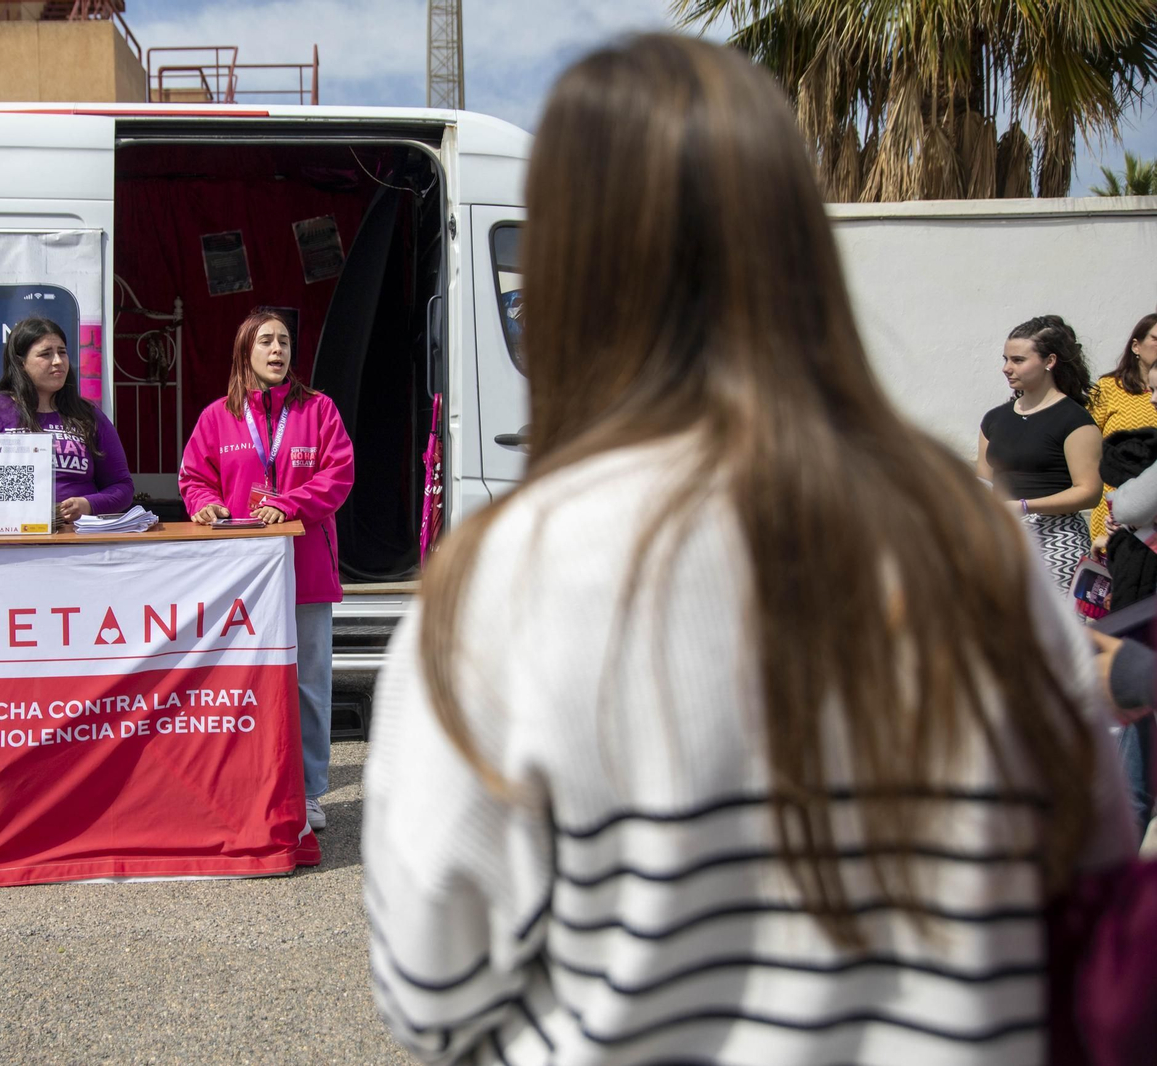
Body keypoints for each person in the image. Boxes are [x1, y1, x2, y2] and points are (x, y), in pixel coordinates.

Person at [362, 34, 1133, 1066]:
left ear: (567, 270)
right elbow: (1085, 877)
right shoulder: (968, 538)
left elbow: (431, 994)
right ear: (797, 246)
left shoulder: (500, 581)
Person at [0, 315, 134, 846]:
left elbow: (121, 488)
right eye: (46, 353)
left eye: (63, 352)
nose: (59, 362)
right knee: (11, 691)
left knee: (74, 689)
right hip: (10, 567)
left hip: (78, 567)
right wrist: (19, 503)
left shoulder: (87, 417)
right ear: (20, 361)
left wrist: (86, 501)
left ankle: (78, 801)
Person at [179, 310, 354, 831]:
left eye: (283, 342)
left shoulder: (318, 410)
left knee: (308, 683)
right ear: (245, 353)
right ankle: (247, 784)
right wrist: (204, 504)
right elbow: (194, 477)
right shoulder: (217, 417)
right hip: (243, 579)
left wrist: (291, 503)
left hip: (307, 572)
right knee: (242, 682)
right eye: (266, 342)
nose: (278, 350)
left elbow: (338, 474)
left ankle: (311, 791)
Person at [977, 316, 1102, 594]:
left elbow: (1090, 492)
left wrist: (1025, 506)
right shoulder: (995, 419)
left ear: (1049, 361)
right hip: (1004, 541)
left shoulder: (1074, 420)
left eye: (1018, 360)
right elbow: (984, 480)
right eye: (1005, 359)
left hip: (1057, 543)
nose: (1006, 368)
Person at [1087, 312, 1157, 546]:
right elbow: (1087, 443)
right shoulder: (1109, 388)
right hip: (1113, 502)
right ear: (1136, 346)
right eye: (1156, 339)